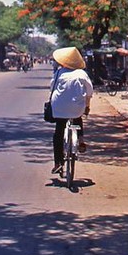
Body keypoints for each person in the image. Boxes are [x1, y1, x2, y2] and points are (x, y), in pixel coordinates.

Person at [50, 46, 93, 174]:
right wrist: (87, 106)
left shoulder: (58, 73)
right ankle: (80, 140)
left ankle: (58, 162)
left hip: (59, 107)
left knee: (58, 132)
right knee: (77, 117)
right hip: (77, 107)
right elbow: (89, 92)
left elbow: (52, 87)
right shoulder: (82, 73)